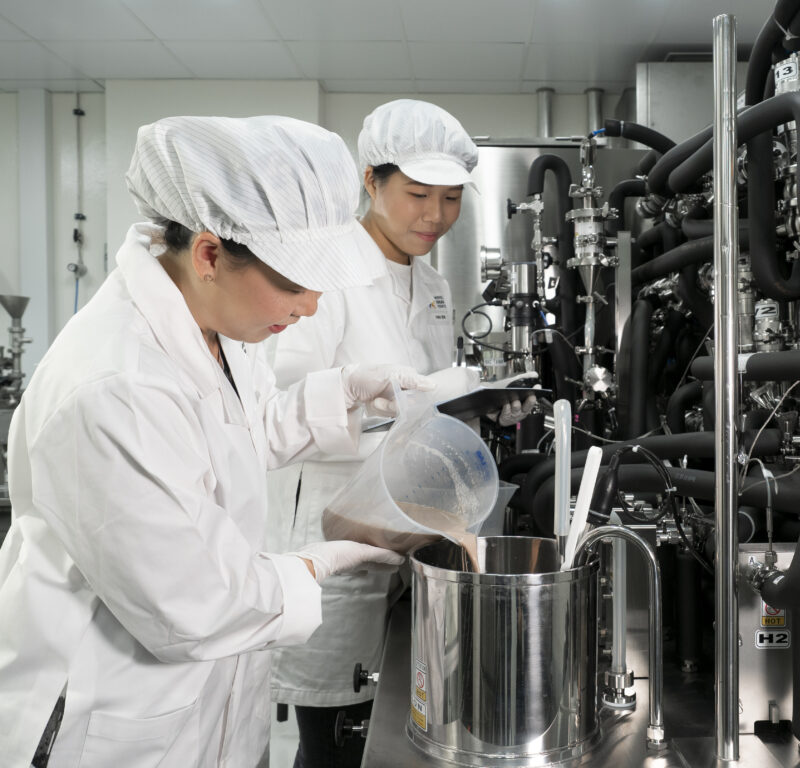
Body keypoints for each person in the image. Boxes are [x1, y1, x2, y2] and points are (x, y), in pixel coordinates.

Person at [0, 115, 433, 768]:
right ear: (208, 253)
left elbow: (230, 433)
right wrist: (320, 563)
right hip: (103, 720)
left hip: (208, 701)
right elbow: (194, 605)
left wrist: (342, 391)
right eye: (294, 282)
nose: (312, 306)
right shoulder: (110, 385)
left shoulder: (212, 319)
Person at [266, 100, 534, 768]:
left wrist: (477, 404)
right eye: (416, 194)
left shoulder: (434, 283)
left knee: (393, 719)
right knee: (333, 737)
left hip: (410, 524)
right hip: (332, 534)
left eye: (450, 199)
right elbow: (278, 405)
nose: (434, 216)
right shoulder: (322, 274)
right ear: (370, 182)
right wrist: (362, 392)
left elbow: (426, 394)